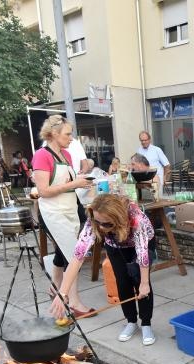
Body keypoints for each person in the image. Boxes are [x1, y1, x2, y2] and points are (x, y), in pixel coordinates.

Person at [50, 194, 157, 345]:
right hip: (115, 246)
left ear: (118, 218)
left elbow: (142, 254)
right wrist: (63, 292)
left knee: (140, 282)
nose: (100, 227)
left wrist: (145, 283)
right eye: (97, 222)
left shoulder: (135, 218)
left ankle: (146, 324)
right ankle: (131, 322)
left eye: (106, 224)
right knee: (122, 282)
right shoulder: (94, 220)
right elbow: (77, 258)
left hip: (141, 245)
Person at [31, 114, 95, 318]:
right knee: (74, 255)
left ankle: (55, 287)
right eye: (68, 134)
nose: (71, 138)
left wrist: (82, 181)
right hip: (53, 213)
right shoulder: (42, 155)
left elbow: (67, 185)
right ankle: (74, 302)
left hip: (69, 209)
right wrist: (74, 184)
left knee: (64, 251)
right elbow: (43, 191)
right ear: (53, 134)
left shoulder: (66, 156)